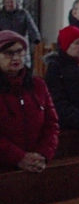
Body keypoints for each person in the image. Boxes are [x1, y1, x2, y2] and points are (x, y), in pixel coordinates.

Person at [0, 30, 58, 172]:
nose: (16, 57)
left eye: (20, 52)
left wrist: (42, 154)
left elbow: (52, 124)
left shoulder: (37, 84)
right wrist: (19, 157)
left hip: (36, 165)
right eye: (9, 53)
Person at [0, 0, 41, 67]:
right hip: (4, 44)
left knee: (23, 63)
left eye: (12, 2)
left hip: (21, 43)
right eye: (7, 2)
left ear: (16, 3)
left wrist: (36, 38)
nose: (10, 4)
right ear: (4, 4)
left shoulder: (23, 13)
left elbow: (31, 26)